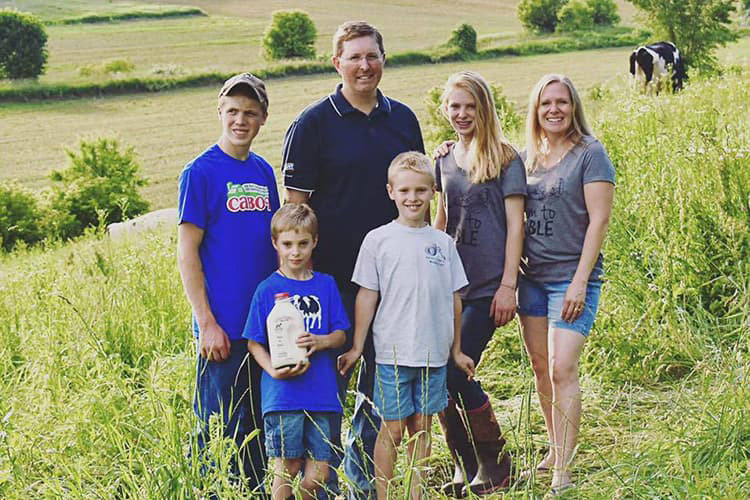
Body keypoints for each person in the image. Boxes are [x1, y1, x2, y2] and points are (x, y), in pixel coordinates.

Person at [281, 20, 424, 499]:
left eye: (372, 55)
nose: (364, 65)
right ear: (336, 63)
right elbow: (294, 210)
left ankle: (365, 484)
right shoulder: (312, 123)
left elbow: (417, 188)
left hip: (392, 281)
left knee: (382, 388)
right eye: (355, 56)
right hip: (332, 281)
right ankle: (320, 485)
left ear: (384, 60)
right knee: (328, 389)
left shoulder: (403, 119)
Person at [337, 151, 475, 500]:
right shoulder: (378, 240)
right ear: (391, 192)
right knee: (394, 428)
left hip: (433, 353)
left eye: (420, 191)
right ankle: (383, 494)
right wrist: (356, 346)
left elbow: (454, 299)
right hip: (393, 353)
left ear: (432, 192)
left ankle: (415, 494)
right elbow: (367, 297)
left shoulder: (443, 244)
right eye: (404, 191)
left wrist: (456, 350)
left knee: (421, 427)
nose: (412, 198)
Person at [177, 73, 278, 493]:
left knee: (256, 427)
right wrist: (207, 322)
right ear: (220, 112)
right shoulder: (200, 172)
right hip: (222, 328)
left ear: (263, 119)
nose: (241, 120)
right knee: (216, 427)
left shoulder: (263, 171)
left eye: (250, 113)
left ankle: (251, 490)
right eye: (233, 111)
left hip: (262, 328)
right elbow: (187, 253)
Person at [517, 74, 615, 495]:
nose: (554, 110)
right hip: (532, 280)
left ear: (574, 107)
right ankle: (556, 448)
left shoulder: (591, 154)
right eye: (545, 103)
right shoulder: (527, 158)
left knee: (562, 368)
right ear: (536, 111)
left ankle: (565, 470)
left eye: (562, 102)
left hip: (572, 281)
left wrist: (579, 282)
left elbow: (599, 221)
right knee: (542, 369)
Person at [433, 71, 527, 497]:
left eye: (470, 106)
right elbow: (441, 219)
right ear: (445, 109)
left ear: (485, 108)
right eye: (455, 106)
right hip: (448, 284)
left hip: (487, 285)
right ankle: (464, 462)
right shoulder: (444, 158)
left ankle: (495, 459)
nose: (462, 113)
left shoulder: (506, 158)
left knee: (457, 368)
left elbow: (515, 226)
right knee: (438, 372)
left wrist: (509, 285)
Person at [243, 203, 350, 500]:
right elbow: (253, 341)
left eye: (303, 244)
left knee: (320, 472)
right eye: (287, 244)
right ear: (275, 244)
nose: (295, 252)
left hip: (322, 394)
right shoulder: (267, 289)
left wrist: (320, 342)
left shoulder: (325, 286)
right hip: (282, 395)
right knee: (286, 466)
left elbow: (341, 334)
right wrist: (272, 370)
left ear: (314, 242)